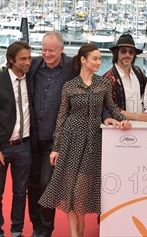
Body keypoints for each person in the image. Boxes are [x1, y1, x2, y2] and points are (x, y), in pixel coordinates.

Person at [38, 43, 131, 237]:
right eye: (95, 58)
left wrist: (122, 120)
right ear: (83, 60)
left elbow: (112, 108)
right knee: (69, 192)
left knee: (79, 193)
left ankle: (78, 233)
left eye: (99, 59)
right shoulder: (69, 86)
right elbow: (62, 117)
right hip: (71, 141)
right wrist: (56, 147)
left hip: (92, 144)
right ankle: (75, 234)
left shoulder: (103, 84)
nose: (98, 62)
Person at [0, 41, 33, 237]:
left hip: (24, 146)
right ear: (11, 60)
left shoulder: (32, 79)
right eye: (23, 59)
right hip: (0, 147)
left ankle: (16, 231)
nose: (28, 62)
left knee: (21, 193)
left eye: (29, 58)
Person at [27, 32, 76, 237]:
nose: (46, 54)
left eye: (51, 50)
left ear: (62, 50)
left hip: (55, 139)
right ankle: (36, 226)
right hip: (31, 137)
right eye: (43, 49)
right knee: (31, 184)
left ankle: (46, 229)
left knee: (46, 183)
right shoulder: (33, 65)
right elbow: (8, 75)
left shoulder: (72, 68)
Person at [103, 33, 147, 121]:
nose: (127, 55)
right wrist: (137, 116)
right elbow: (111, 108)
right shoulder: (108, 78)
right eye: (123, 51)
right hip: (120, 128)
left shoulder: (138, 71)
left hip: (141, 126)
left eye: (131, 52)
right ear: (116, 53)